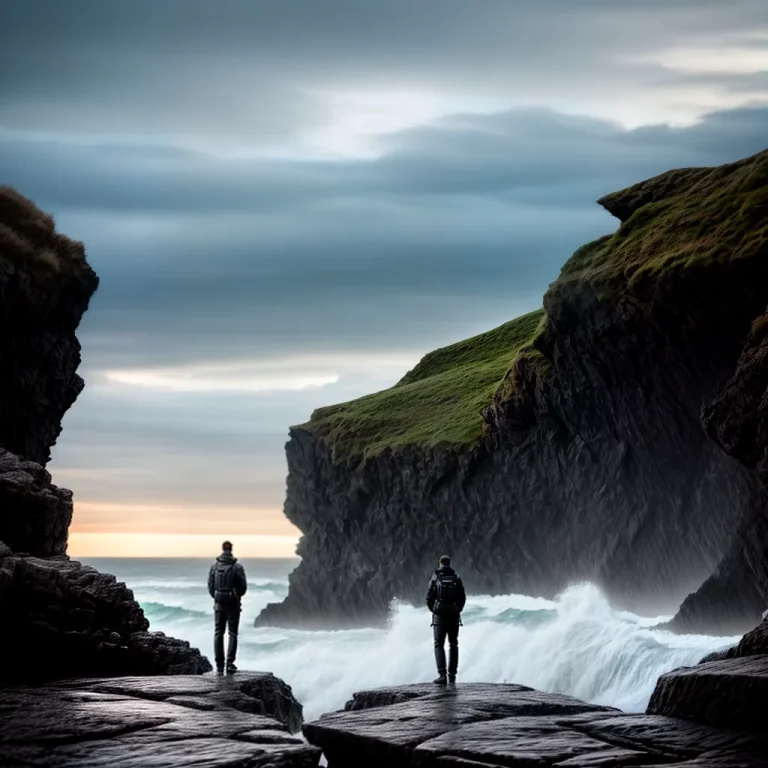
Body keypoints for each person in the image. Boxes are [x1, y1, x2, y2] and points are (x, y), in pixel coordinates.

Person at [208, 540, 248, 675]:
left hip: (219, 604)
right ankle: (230, 663)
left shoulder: (214, 567)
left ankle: (219, 665)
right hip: (233, 604)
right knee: (232, 633)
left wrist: (217, 597)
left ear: (222, 549)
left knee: (218, 633)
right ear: (231, 549)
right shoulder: (237, 567)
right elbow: (243, 587)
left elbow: (210, 586)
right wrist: (237, 595)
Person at [426, 555, 466, 685]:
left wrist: (435, 610)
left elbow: (429, 597)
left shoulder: (435, 577)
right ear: (449, 563)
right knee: (453, 644)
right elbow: (462, 597)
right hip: (453, 616)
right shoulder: (456, 577)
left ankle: (442, 675)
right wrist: (457, 609)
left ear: (440, 563)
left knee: (439, 644)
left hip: (440, 616)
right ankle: (452, 676)